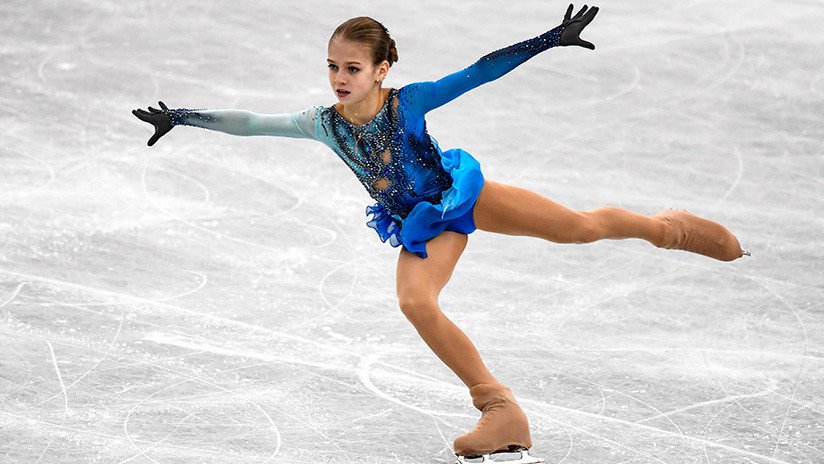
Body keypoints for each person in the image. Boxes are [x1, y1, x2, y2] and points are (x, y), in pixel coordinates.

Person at [133, 4, 747, 462]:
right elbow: (251, 122)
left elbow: (479, 72)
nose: (340, 77)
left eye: (353, 67)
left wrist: (547, 40)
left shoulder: (409, 103)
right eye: (333, 67)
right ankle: (500, 409)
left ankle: (666, 229)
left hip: (465, 197)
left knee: (580, 228)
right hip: (424, 225)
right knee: (415, 301)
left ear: (382, 69)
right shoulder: (323, 124)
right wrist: (182, 116)